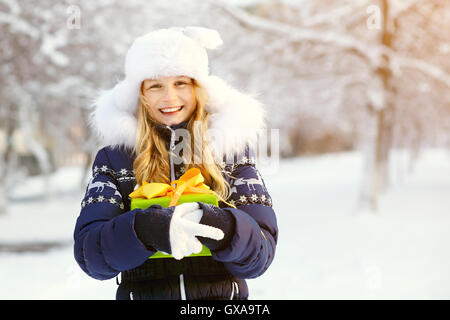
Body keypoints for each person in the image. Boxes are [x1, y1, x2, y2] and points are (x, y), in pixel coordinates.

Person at [73, 26, 278, 300]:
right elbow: (91, 255)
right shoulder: (116, 158)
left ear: (199, 88)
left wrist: (220, 224)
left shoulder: (231, 151)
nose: (169, 97)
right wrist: (146, 230)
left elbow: (260, 254)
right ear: (140, 94)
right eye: (155, 85)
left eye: (181, 83)